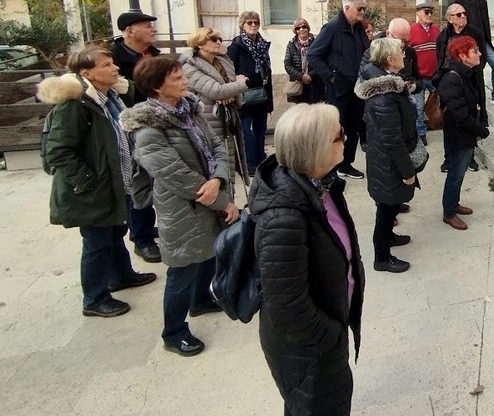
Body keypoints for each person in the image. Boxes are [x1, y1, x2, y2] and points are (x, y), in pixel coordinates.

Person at [250, 103, 364, 416]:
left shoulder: (321, 186)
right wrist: (331, 337)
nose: (346, 137)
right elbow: (287, 309)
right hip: (309, 350)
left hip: (325, 334)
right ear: (317, 149)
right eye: (339, 135)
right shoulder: (284, 218)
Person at [122, 57, 239, 357]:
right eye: (176, 78)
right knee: (182, 269)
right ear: (156, 87)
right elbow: (175, 175)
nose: (184, 81)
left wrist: (219, 178)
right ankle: (174, 332)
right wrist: (222, 200)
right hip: (182, 207)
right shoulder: (147, 127)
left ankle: (201, 301)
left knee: (207, 255)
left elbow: (217, 146)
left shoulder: (189, 110)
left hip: (209, 195)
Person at [37, 44, 157, 319]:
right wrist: (88, 182)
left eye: (113, 63)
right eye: (107, 65)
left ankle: (121, 275)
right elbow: (58, 151)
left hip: (115, 182)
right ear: (87, 73)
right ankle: (94, 298)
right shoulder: (75, 105)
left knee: (114, 232)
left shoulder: (109, 97)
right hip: (93, 188)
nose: (116, 68)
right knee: (97, 242)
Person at [355, 37, 419, 274]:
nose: (405, 55)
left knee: (391, 203)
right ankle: (382, 258)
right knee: (386, 206)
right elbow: (392, 138)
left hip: (387, 158)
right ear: (390, 60)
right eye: (401, 53)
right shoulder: (384, 95)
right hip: (387, 160)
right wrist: (407, 171)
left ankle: (389, 237)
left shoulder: (389, 84)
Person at [111, 10, 161, 263]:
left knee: (153, 182)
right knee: (138, 183)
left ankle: (147, 226)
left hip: (156, 126)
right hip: (130, 132)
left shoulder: (153, 55)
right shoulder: (114, 61)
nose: (153, 29)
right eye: (147, 26)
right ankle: (142, 239)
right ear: (130, 31)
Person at [309, 0, 371, 180]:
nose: (362, 12)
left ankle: (345, 164)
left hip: (357, 88)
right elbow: (313, 55)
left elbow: (366, 54)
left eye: (364, 9)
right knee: (336, 130)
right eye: (359, 9)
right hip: (338, 90)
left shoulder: (359, 29)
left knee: (353, 128)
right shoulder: (332, 28)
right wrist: (332, 77)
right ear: (347, 8)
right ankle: (329, 168)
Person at [181, 27, 250, 185]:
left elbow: (232, 92)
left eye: (220, 39)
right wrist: (240, 84)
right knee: (215, 166)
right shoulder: (190, 67)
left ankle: (230, 196)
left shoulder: (223, 62)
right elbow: (217, 91)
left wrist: (231, 94)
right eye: (213, 39)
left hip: (228, 120)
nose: (219, 42)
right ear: (200, 43)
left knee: (229, 163)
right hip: (207, 122)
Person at [436, 36, 487, 230]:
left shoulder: (467, 74)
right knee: (455, 174)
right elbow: (461, 115)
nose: (479, 54)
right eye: (475, 51)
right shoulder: (452, 79)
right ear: (462, 56)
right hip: (458, 136)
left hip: (466, 133)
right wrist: (481, 130)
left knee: (460, 172)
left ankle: (454, 203)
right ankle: (449, 212)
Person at [436, 4, 485, 173]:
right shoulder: (443, 35)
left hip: (471, 78)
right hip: (451, 81)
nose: (463, 16)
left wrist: (473, 70)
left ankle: (470, 158)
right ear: (450, 18)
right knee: (450, 121)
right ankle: (448, 158)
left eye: (464, 13)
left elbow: (482, 56)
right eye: (459, 14)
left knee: (471, 115)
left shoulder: (475, 32)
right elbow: (440, 58)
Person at [227, 11, 273, 178]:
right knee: (246, 132)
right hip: (244, 96)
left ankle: (261, 160)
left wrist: (270, 101)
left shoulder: (262, 45)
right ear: (242, 25)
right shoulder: (236, 46)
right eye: (249, 23)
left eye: (256, 22)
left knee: (261, 130)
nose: (253, 25)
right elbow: (228, 69)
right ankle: (249, 164)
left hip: (261, 94)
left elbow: (267, 72)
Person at [410, 1, 441, 146]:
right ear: (418, 14)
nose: (429, 15)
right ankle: (421, 133)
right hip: (420, 77)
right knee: (419, 106)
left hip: (435, 76)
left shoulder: (437, 30)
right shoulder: (411, 31)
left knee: (441, 102)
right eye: (426, 12)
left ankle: (440, 123)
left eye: (431, 13)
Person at [284, 18, 325, 104]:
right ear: (295, 31)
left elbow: (322, 61)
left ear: (308, 28)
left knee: (315, 108)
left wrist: (310, 75)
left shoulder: (317, 43)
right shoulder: (291, 45)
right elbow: (287, 65)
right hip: (298, 83)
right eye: (298, 28)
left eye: (304, 26)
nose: (301, 29)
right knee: (301, 110)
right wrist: (301, 76)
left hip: (315, 82)